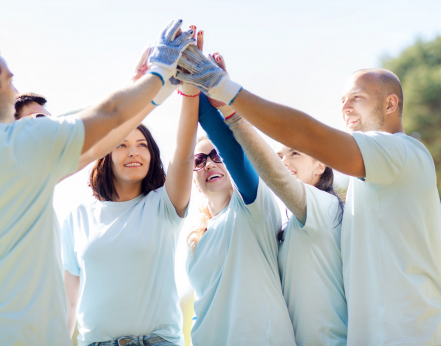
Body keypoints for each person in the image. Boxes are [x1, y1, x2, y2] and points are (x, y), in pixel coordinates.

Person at [0, 19, 195, 345]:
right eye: (10, 81)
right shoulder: (19, 144)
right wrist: (159, 74)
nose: (15, 90)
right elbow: (109, 116)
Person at [177, 47, 441, 345]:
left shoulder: (402, 152)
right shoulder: (360, 188)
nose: (345, 108)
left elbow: (302, 140)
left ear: (391, 103)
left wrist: (225, 94)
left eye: (357, 97)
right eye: (342, 101)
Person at [61, 27, 202, 346]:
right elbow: (70, 301)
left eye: (142, 145)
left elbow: (183, 155)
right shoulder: (78, 215)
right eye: (122, 145)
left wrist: (190, 90)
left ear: (152, 155)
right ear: (105, 154)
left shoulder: (164, 206)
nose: (134, 152)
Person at [210, 52, 347, 345]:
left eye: (294, 153)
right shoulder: (288, 224)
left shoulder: (326, 207)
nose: (284, 161)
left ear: (320, 165)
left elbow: (274, 175)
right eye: (281, 155)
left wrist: (229, 105)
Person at [185, 92, 296, 345]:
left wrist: (196, 90)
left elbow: (232, 149)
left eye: (216, 155)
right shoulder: (194, 239)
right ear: (194, 176)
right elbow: (204, 306)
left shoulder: (252, 204)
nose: (210, 164)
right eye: (199, 161)